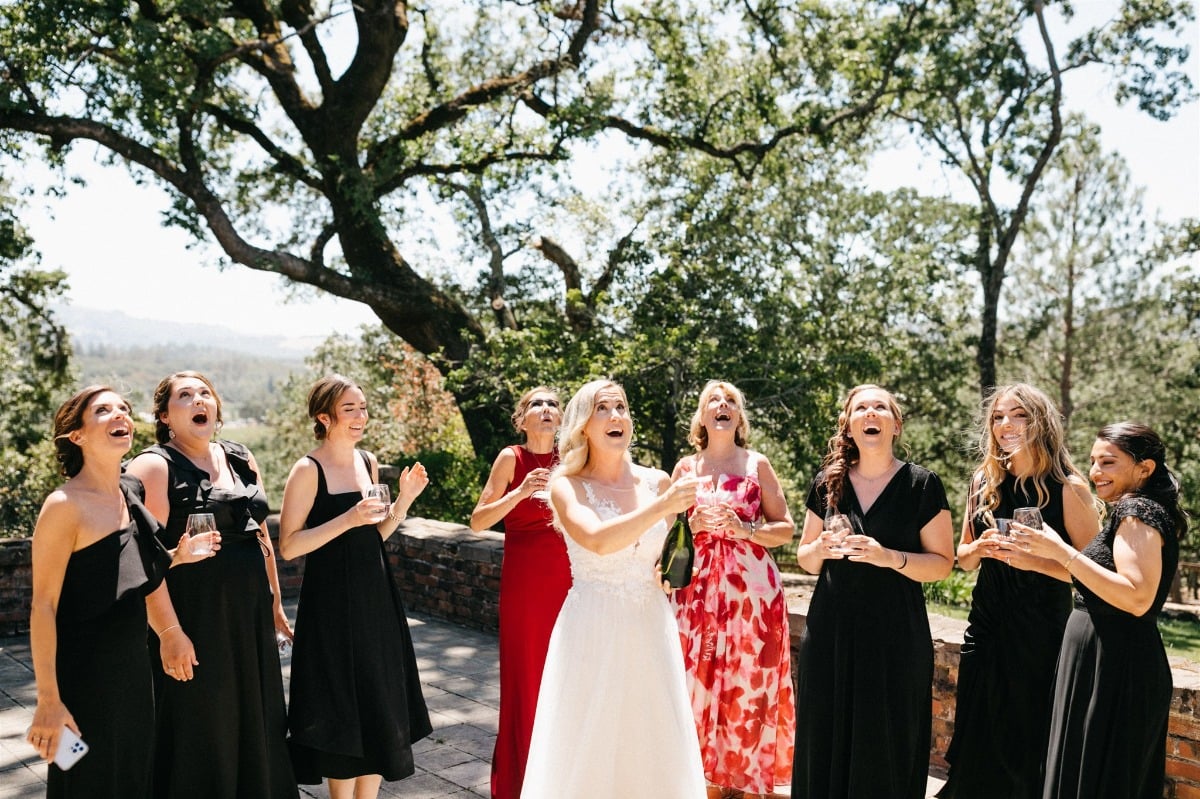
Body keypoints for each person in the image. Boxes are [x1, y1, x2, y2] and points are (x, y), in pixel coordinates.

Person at [26, 386, 217, 798]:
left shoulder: (128, 491)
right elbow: (42, 606)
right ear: (76, 435)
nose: (120, 415)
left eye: (124, 409)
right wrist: (48, 701)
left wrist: (177, 556)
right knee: (85, 783)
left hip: (133, 673)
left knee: (131, 779)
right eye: (104, 410)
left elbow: (130, 573)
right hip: (84, 679)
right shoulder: (64, 505)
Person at [520, 380, 706, 798]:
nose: (616, 416)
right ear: (584, 425)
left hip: (650, 626)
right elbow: (599, 541)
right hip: (593, 627)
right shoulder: (566, 485)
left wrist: (671, 566)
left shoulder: (657, 481)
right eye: (603, 408)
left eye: (621, 407)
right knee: (590, 739)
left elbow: (667, 553)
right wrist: (663, 507)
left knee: (650, 737)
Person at [125, 371, 297, 799]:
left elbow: (261, 534)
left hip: (250, 614)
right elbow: (142, 559)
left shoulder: (240, 456)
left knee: (255, 717)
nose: (199, 400)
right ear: (165, 416)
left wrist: (274, 601)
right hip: (195, 617)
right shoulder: (154, 465)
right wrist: (169, 633)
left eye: (205, 393)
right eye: (185, 396)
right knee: (203, 725)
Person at [791, 384, 954, 799]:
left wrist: (889, 558)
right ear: (848, 424)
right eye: (861, 408)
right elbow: (805, 559)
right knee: (824, 737)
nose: (871, 413)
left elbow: (942, 564)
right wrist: (821, 548)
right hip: (831, 632)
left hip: (894, 636)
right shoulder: (828, 482)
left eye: (880, 407)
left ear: (895, 424)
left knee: (886, 742)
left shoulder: (922, 484)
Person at [937, 384, 1100, 799]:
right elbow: (964, 557)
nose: (1006, 425)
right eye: (998, 417)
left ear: (1040, 421)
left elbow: (1097, 573)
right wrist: (980, 547)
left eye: (1019, 415)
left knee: (1026, 732)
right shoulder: (983, 481)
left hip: (1041, 630)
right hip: (987, 623)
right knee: (979, 721)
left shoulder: (1068, 488)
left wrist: (1039, 562)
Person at [277, 375, 433, 799]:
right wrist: (347, 518)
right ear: (324, 417)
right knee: (340, 706)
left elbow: (374, 535)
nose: (361, 416)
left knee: (377, 701)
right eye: (350, 409)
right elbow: (289, 545)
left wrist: (404, 500)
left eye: (363, 407)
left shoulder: (368, 461)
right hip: (331, 607)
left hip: (377, 600)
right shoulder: (307, 469)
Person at [1014, 422, 1185, 799]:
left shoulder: (1137, 510)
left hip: (1116, 664)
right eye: (1093, 462)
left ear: (1145, 468)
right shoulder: (1128, 509)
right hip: (1097, 658)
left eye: (1108, 462)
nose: (1095, 472)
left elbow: (1136, 597)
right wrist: (1035, 562)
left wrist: (1063, 550)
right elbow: (1098, 585)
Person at [670, 380, 795, 799]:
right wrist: (690, 525)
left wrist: (747, 529)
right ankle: (702, 779)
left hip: (753, 599)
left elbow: (785, 529)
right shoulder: (685, 469)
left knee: (747, 683)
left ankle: (743, 782)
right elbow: (663, 530)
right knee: (695, 680)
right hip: (695, 595)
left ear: (739, 417)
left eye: (730, 402)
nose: (721, 407)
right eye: (712, 402)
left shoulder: (757, 464)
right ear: (702, 417)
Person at [469, 386, 571, 799]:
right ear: (521, 419)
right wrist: (522, 490)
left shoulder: (575, 459)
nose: (546, 410)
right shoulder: (511, 458)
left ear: (562, 417)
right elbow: (478, 521)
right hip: (526, 585)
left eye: (552, 405)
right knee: (526, 679)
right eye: (536, 405)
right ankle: (521, 781)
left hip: (572, 581)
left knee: (567, 676)